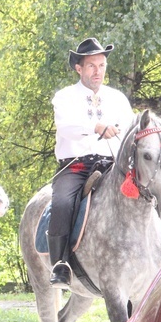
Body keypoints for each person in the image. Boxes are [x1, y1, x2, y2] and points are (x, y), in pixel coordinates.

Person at [48, 37, 135, 288]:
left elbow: (129, 129)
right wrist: (96, 126)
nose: (98, 71)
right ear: (79, 68)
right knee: (63, 202)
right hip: (75, 166)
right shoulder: (64, 97)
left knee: (145, 193)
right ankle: (60, 264)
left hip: (111, 165)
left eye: (102, 65)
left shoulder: (117, 98)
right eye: (92, 66)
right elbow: (65, 127)